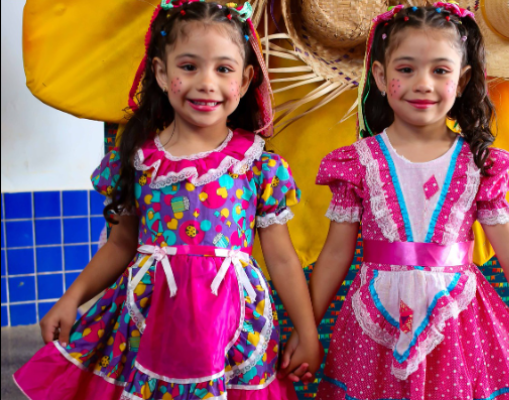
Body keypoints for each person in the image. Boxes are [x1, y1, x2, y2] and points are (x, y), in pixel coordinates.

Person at [282, 3, 509, 399]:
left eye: (440, 70)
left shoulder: (479, 165)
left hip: (457, 327)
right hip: (375, 329)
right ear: (381, 76)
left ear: (462, 80)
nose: (423, 83)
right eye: (406, 69)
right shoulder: (357, 163)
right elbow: (336, 253)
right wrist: (306, 330)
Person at [14, 2, 321, 399]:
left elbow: (281, 258)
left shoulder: (259, 165)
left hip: (229, 327)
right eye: (189, 66)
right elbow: (121, 244)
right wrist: (72, 299)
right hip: (149, 323)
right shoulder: (137, 161)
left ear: (245, 80)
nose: (206, 82)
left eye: (223, 69)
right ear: (161, 72)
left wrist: (307, 332)